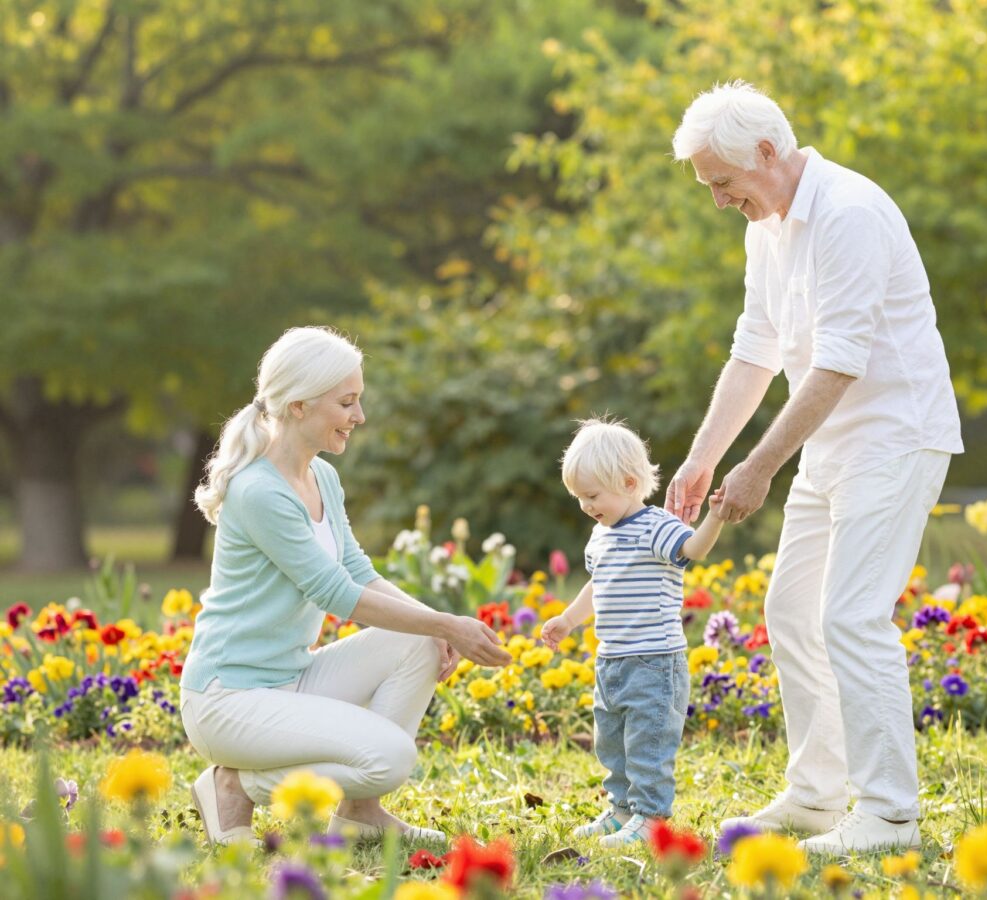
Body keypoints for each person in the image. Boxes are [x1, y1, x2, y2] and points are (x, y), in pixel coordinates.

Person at [667, 82, 963, 853]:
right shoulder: (765, 227)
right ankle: (816, 792)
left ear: (766, 153)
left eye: (721, 183)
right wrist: (705, 458)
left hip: (896, 437)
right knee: (791, 611)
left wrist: (760, 466)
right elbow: (753, 350)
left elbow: (837, 365)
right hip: (831, 441)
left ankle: (890, 813)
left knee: (851, 617)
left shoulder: (850, 213)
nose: (718, 200)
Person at [180, 326, 511, 847]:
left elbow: (357, 570)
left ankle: (361, 814)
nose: (359, 416)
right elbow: (335, 594)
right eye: (347, 402)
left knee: (417, 639)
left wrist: (436, 629)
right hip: (228, 699)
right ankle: (234, 783)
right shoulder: (258, 492)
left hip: (290, 679)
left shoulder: (321, 479)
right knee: (391, 759)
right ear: (298, 406)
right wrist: (448, 622)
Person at [541, 418, 727, 847]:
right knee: (613, 742)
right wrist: (568, 620)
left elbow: (693, 550)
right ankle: (621, 810)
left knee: (648, 743)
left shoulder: (656, 526)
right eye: (579, 498)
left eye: (592, 495)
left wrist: (715, 517)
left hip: (654, 661)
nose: (586, 506)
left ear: (628, 483)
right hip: (612, 660)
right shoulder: (600, 535)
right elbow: (597, 584)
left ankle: (651, 819)